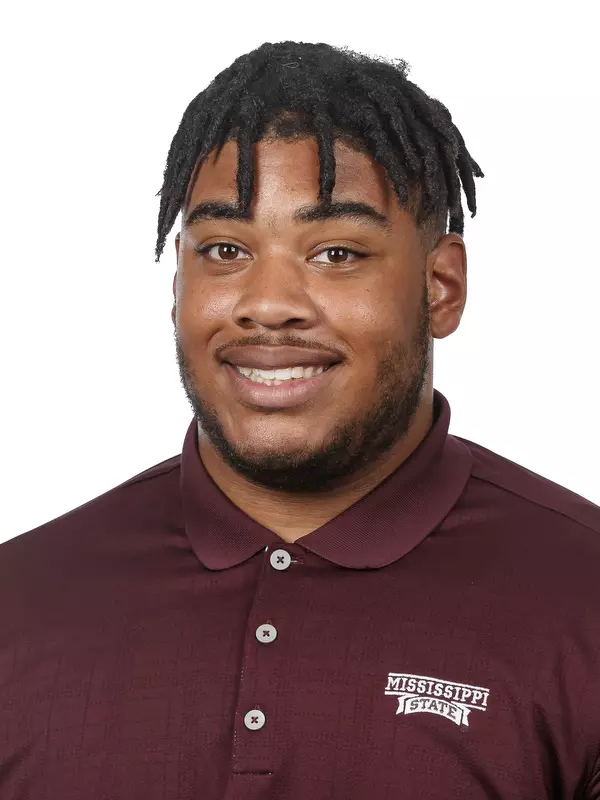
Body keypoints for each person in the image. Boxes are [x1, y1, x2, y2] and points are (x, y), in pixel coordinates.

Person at [1, 40, 599, 800]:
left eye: (337, 253)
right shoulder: (18, 601)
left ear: (441, 287)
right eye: (224, 249)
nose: (268, 302)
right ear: (179, 283)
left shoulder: (584, 597)